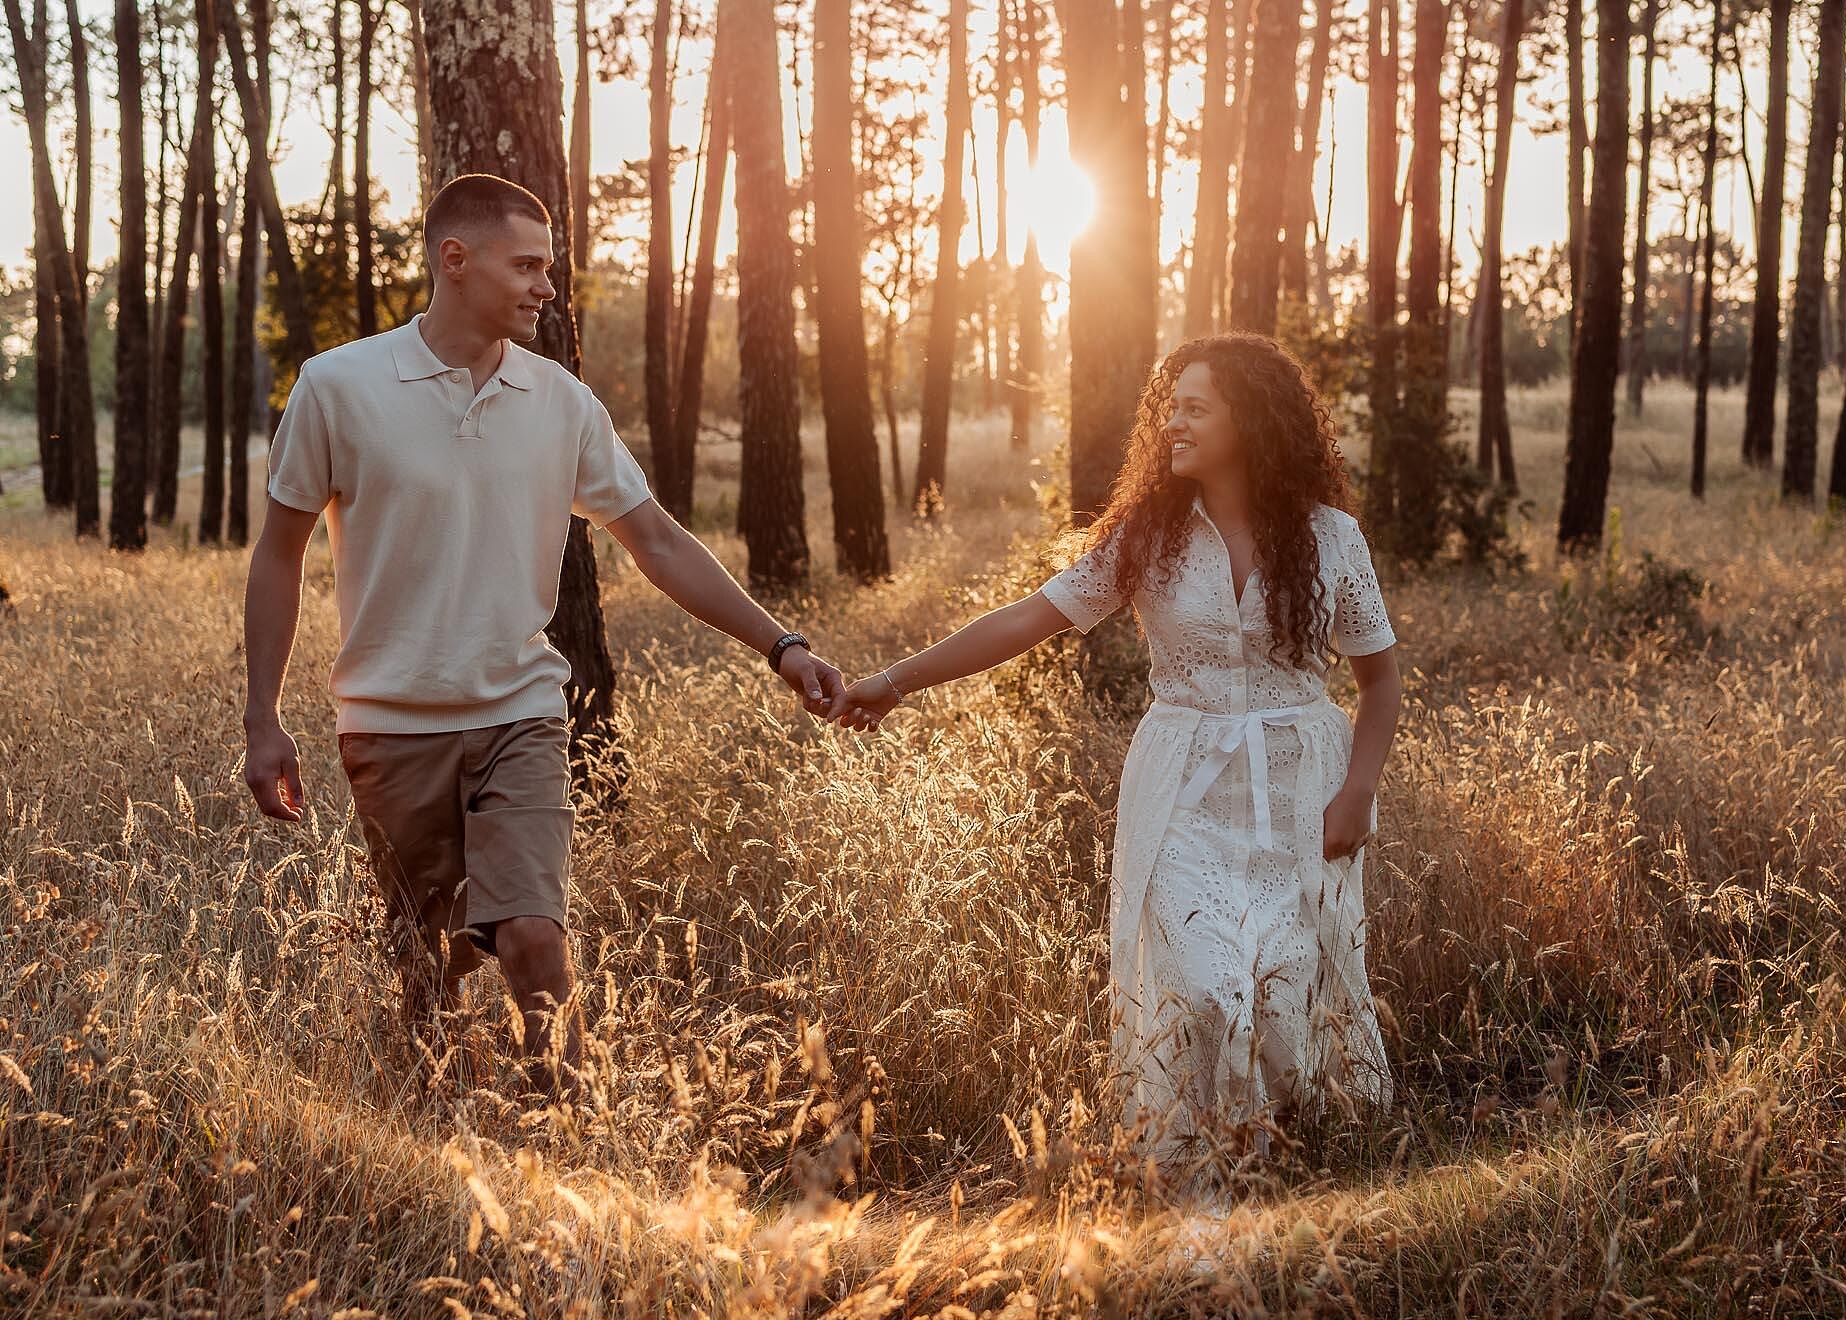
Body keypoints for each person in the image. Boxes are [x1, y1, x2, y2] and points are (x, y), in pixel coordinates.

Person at [242, 173, 846, 1099]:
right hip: (388, 726)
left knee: (533, 936)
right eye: (527, 265)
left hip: (520, 713)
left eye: (548, 268)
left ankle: (573, 1141)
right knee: (427, 979)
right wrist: (263, 717)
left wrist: (782, 644)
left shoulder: (559, 401)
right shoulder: (339, 386)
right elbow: (278, 553)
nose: (546, 288)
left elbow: (655, 538)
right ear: (456, 260)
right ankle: (437, 1157)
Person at [830, 332, 1402, 1167]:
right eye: (1170, 408)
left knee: (1288, 989)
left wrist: (1357, 790)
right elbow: (1029, 617)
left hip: (1300, 787)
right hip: (1182, 790)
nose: (1173, 423)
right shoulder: (1150, 536)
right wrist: (896, 679)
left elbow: (1380, 683)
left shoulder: (1331, 538)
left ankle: (1292, 1165)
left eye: (1195, 408)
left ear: (1252, 418)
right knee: (1207, 988)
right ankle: (1193, 1181)